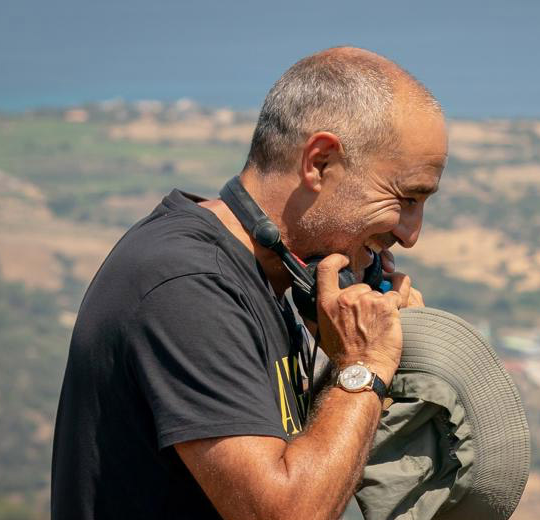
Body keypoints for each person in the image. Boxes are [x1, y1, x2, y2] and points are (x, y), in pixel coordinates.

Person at [50, 46, 447, 520]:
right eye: (406, 198)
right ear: (319, 163)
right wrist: (365, 364)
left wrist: (347, 360)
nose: (410, 234)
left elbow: (301, 460)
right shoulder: (189, 285)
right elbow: (284, 513)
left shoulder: (270, 273)